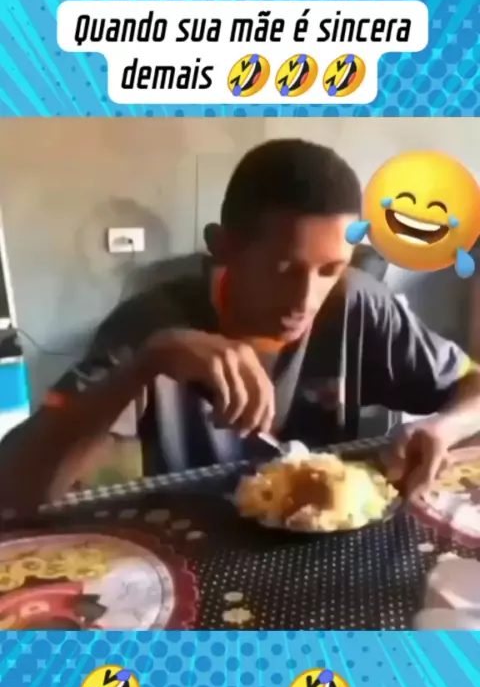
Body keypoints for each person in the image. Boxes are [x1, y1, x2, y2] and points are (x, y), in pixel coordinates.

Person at [1, 138, 479, 511]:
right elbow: (15, 488)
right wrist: (143, 368)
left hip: (326, 539)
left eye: (330, 269)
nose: (306, 300)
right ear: (224, 248)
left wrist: (444, 427)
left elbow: (472, 386)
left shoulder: (357, 302)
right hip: (194, 550)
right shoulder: (149, 329)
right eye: (284, 269)